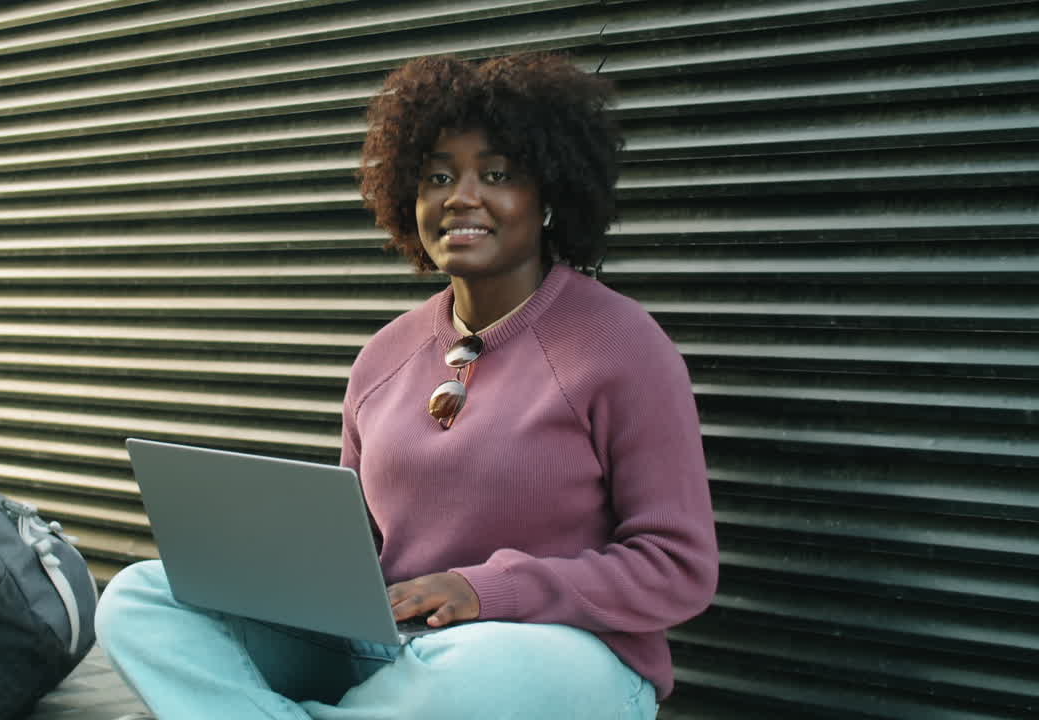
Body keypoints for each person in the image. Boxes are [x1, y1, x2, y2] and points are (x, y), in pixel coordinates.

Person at [95, 53, 718, 719]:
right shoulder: (384, 357)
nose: (462, 197)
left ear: (549, 196)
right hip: (395, 650)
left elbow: (677, 567)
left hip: (552, 659)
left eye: (498, 175)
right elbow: (355, 551)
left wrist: (486, 590)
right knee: (143, 595)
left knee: (486, 670)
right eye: (437, 177)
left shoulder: (621, 345)